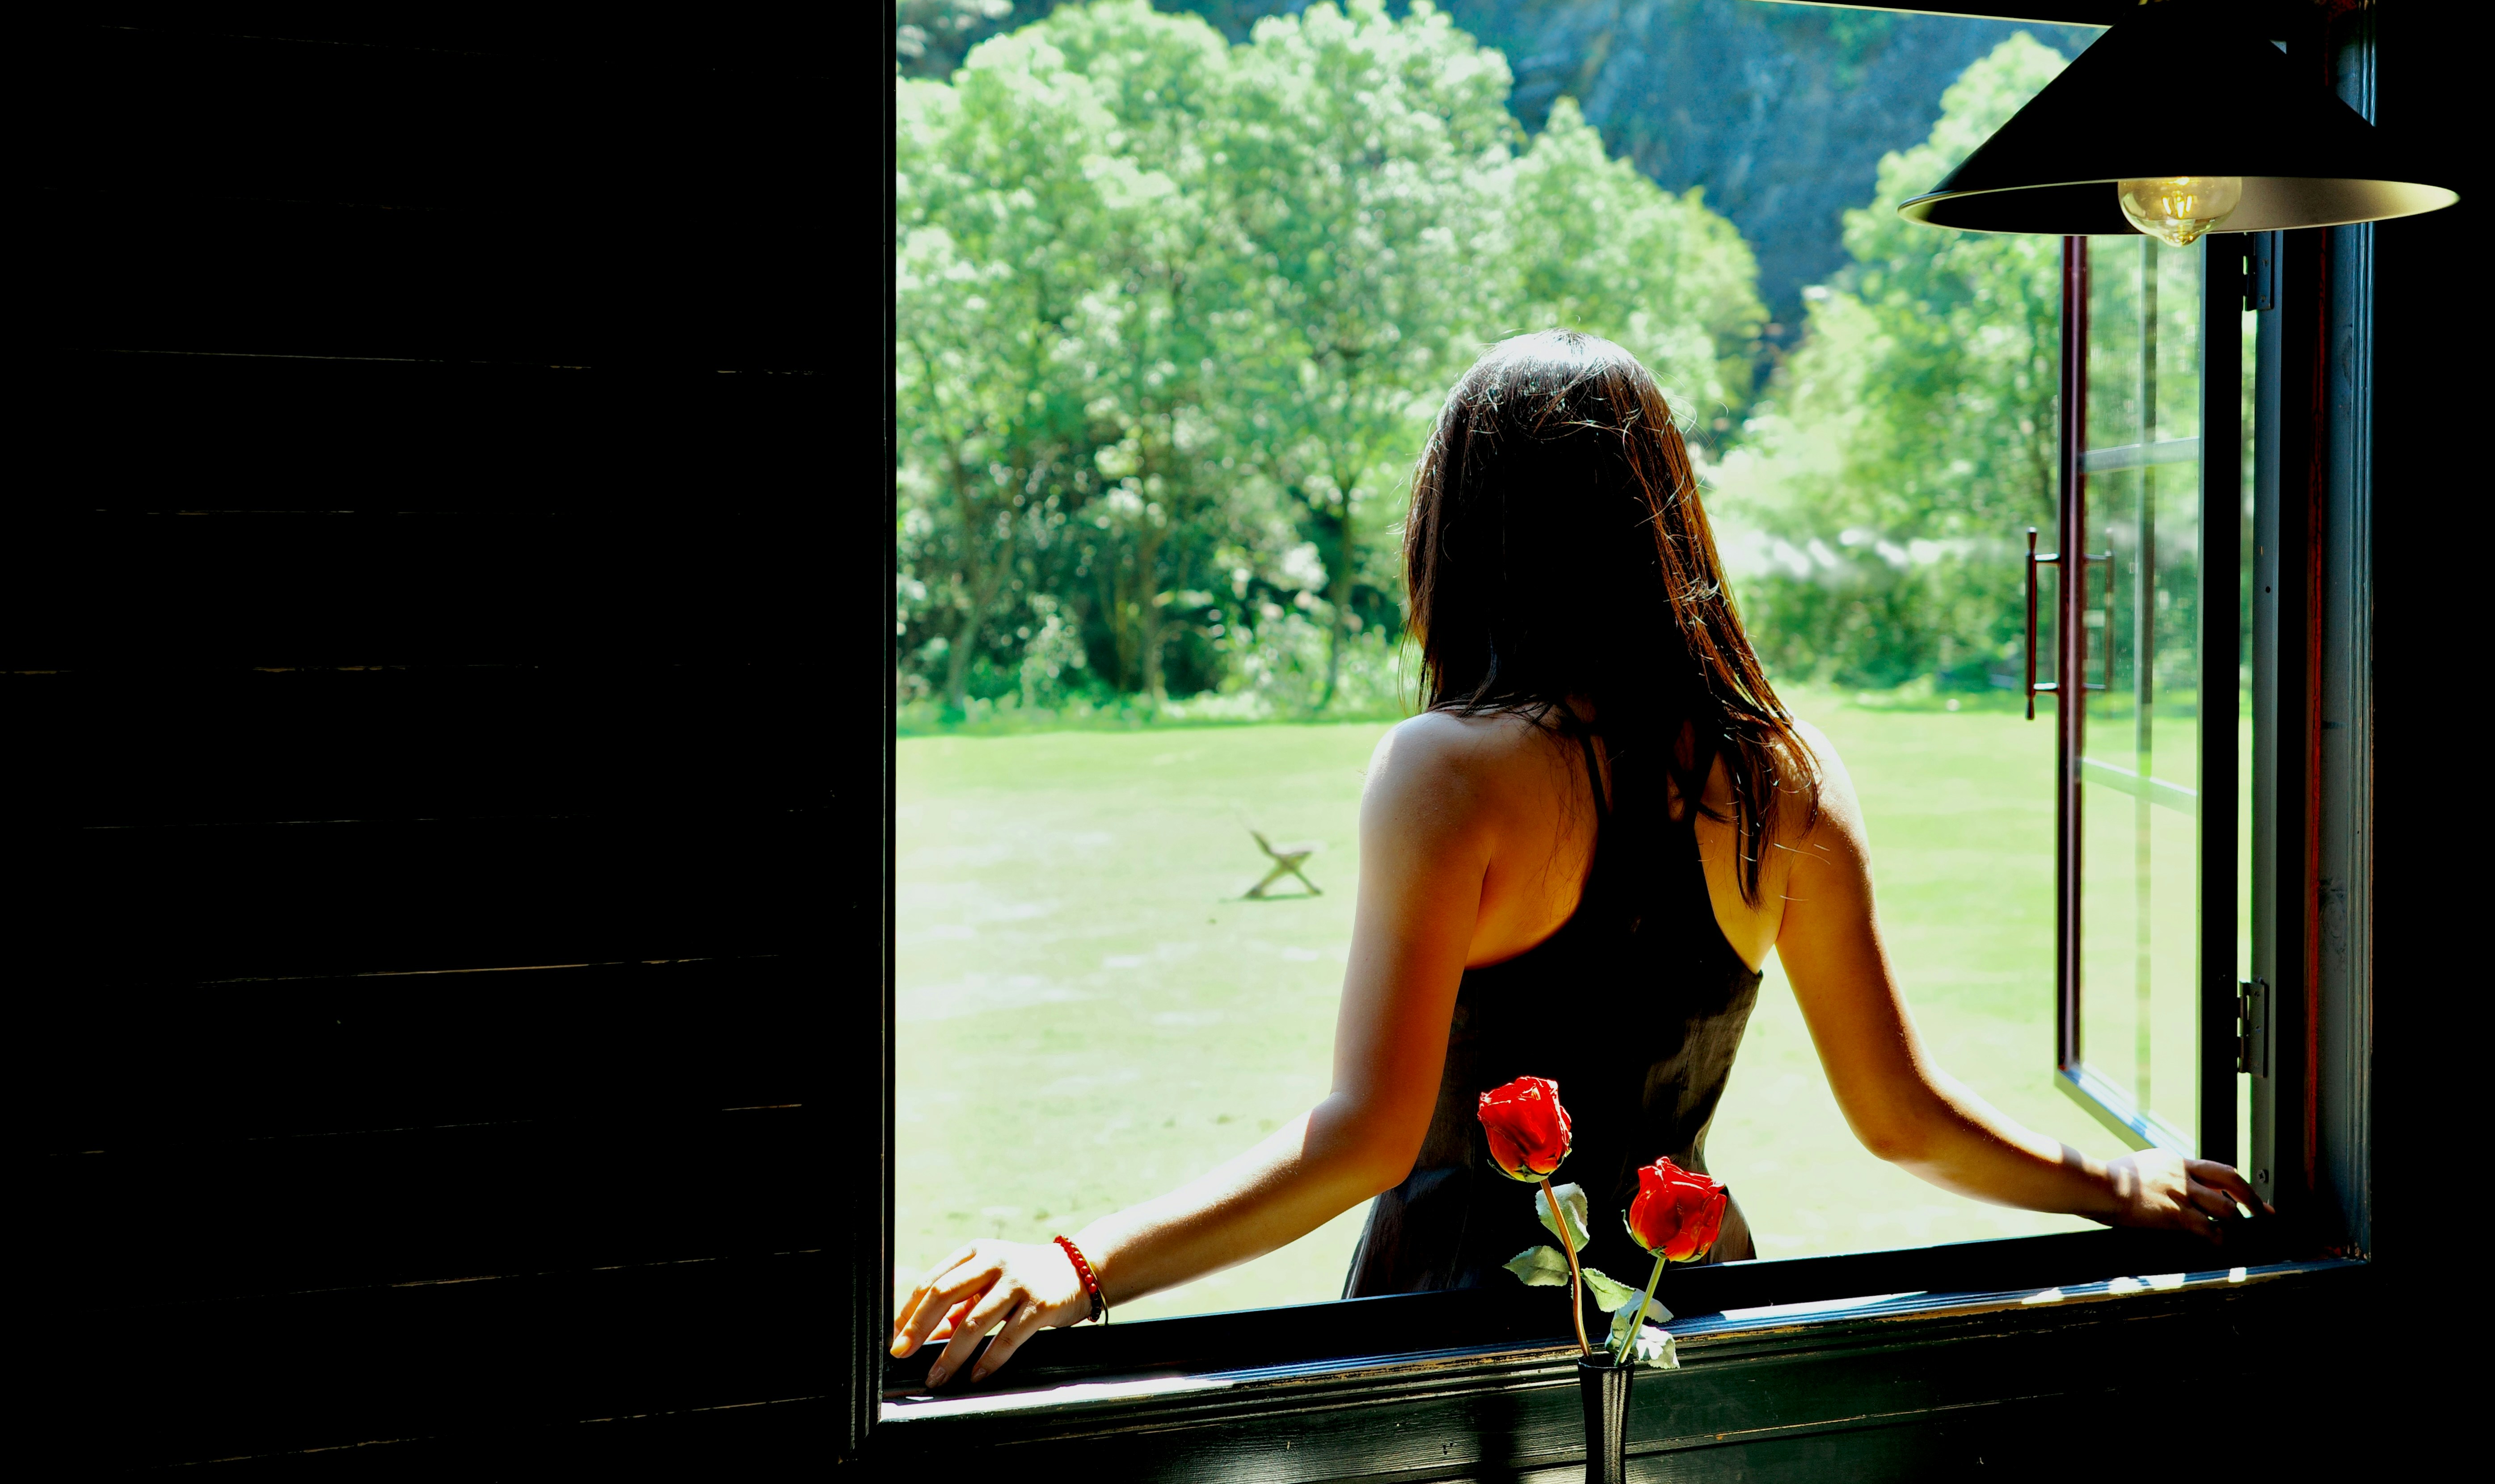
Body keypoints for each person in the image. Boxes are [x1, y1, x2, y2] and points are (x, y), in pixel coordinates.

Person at [890, 330, 2265, 1388]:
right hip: (1688, 1331)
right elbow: (1899, 1113)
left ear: (1459, 531)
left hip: (1448, 1351)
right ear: (1668, 522)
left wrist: (1080, 1260)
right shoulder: (1782, 775)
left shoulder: (1445, 771)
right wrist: (2120, 1186)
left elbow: (1368, 1135)